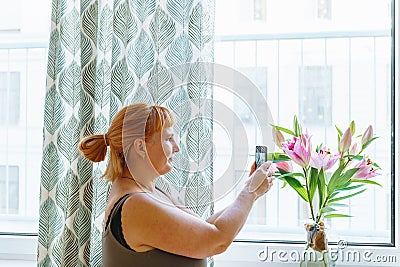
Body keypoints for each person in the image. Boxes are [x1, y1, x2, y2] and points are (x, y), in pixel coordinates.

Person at [78, 103, 275, 267]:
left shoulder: (150, 192)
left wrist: (252, 191)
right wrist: (249, 192)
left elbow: (206, 227)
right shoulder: (135, 204)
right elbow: (216, 241)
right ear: (140, 147)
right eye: (168, 138)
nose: (177, 148)